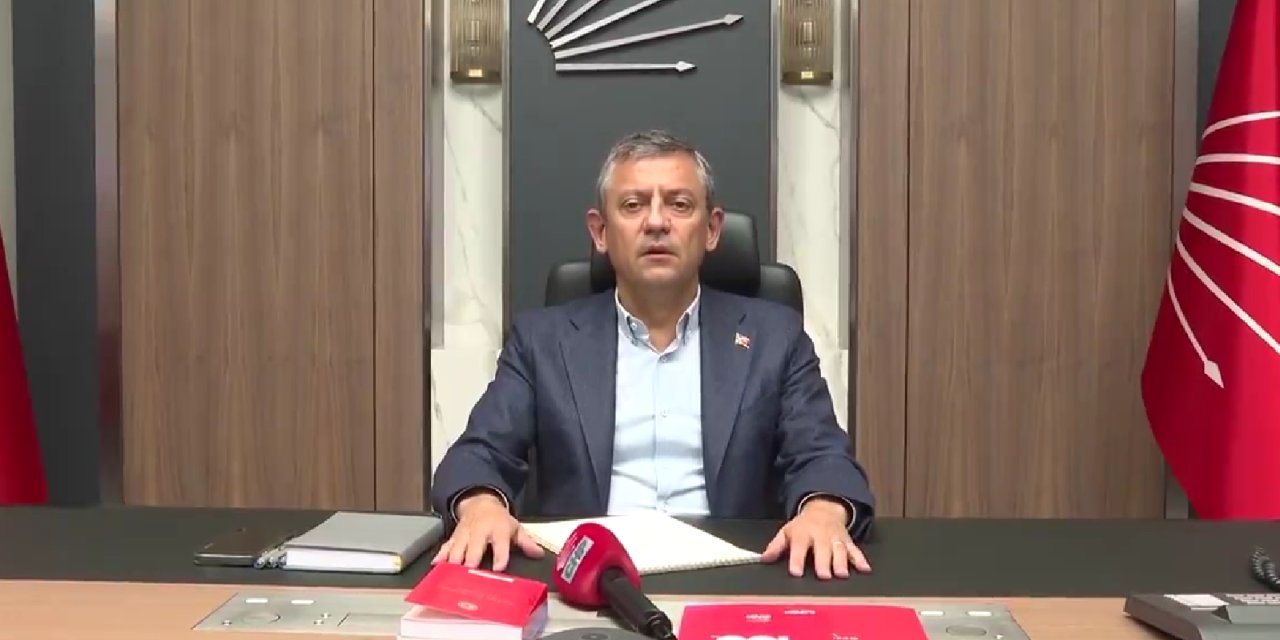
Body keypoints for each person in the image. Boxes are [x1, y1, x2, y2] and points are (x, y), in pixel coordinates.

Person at [429, 129, 875, 580]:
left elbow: (822, 454)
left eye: (679, 204)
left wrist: (823, 510)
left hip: (734, 576)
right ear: (600, 232)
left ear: (712, 229)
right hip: (587, 580)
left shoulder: (774, 336)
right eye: (633, 205)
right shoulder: (542, 341)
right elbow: (480, 452)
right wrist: (481, 505)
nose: (657, 222)